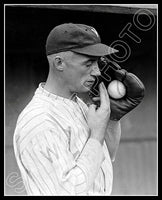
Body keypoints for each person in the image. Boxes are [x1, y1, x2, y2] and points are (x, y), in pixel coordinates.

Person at [13, 23, 145, 196]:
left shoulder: (77, 104)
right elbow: (68, 191)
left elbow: (104, 158)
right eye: (89, 63)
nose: (97, 72)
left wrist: (112, 119)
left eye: (97, 62)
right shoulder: (40, 122)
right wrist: (97, 134)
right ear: (59, 63)